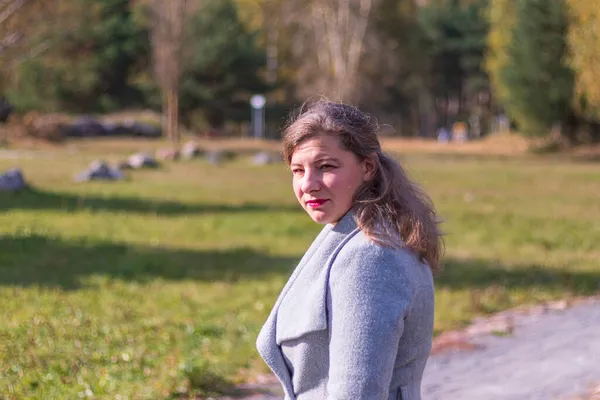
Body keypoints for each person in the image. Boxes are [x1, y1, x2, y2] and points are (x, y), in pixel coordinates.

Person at [256, 100, 443, 400]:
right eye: (297, 170)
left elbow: (358, 392)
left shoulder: (370, 256)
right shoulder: (356, 236)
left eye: (325, 166)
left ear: (367, 167)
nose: (308, 184)